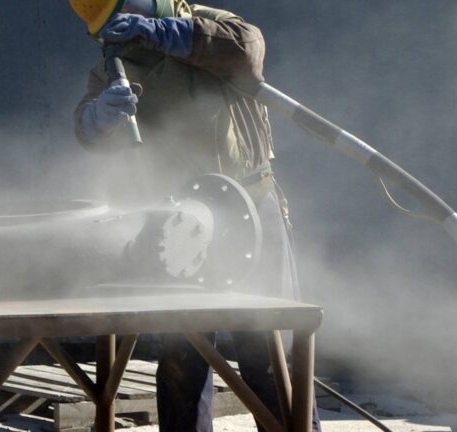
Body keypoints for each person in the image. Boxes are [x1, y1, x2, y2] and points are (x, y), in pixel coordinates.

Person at [69, 1, 321, 431]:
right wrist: (97, 120)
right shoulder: (115, 67)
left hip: (251, 204)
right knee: (185, 356)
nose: (118, 28)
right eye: (106, 24)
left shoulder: (211, 25)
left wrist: (171, 34)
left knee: (269, 350)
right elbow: (88, 130)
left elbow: (247, 51)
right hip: (181, 219)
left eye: (121, 13)